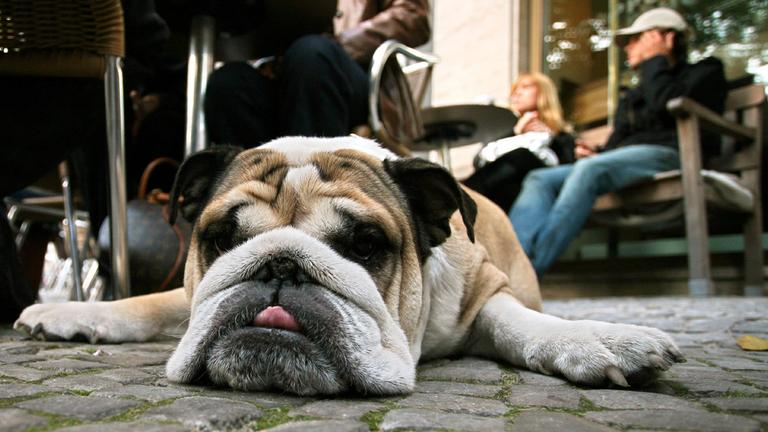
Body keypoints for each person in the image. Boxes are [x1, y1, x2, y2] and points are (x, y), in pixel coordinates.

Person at [508, 7, 727, 277]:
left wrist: (656, 60)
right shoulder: (635, 94)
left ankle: (525, 274)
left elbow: (667, 104)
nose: (627, 48)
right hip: (626, 162)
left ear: (667, 38)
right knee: (539, 179)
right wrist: (596, 152)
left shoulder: (705, 71)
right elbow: (616, 143)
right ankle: (511, 262)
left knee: (589, 169)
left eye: (636, 39)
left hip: (675, 152)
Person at [203, 0, 430, 149]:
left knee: (312, 55)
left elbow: (413, 16)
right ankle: (249, 194)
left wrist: (341, 42)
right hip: (288, 76)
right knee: (228, 83)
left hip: (356, 79)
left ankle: (315, 188)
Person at [463, 73, 575, 212]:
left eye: (525, 87)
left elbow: (566, 169)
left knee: (521, 155)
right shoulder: (508, 130)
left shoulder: (562, 135)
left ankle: (463, 197)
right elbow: (478, 161)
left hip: (537, 193)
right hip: (504, 195)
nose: (517, 93)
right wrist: (516, 132)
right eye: (515, 90)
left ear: (543, 93)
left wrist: (551, 136)